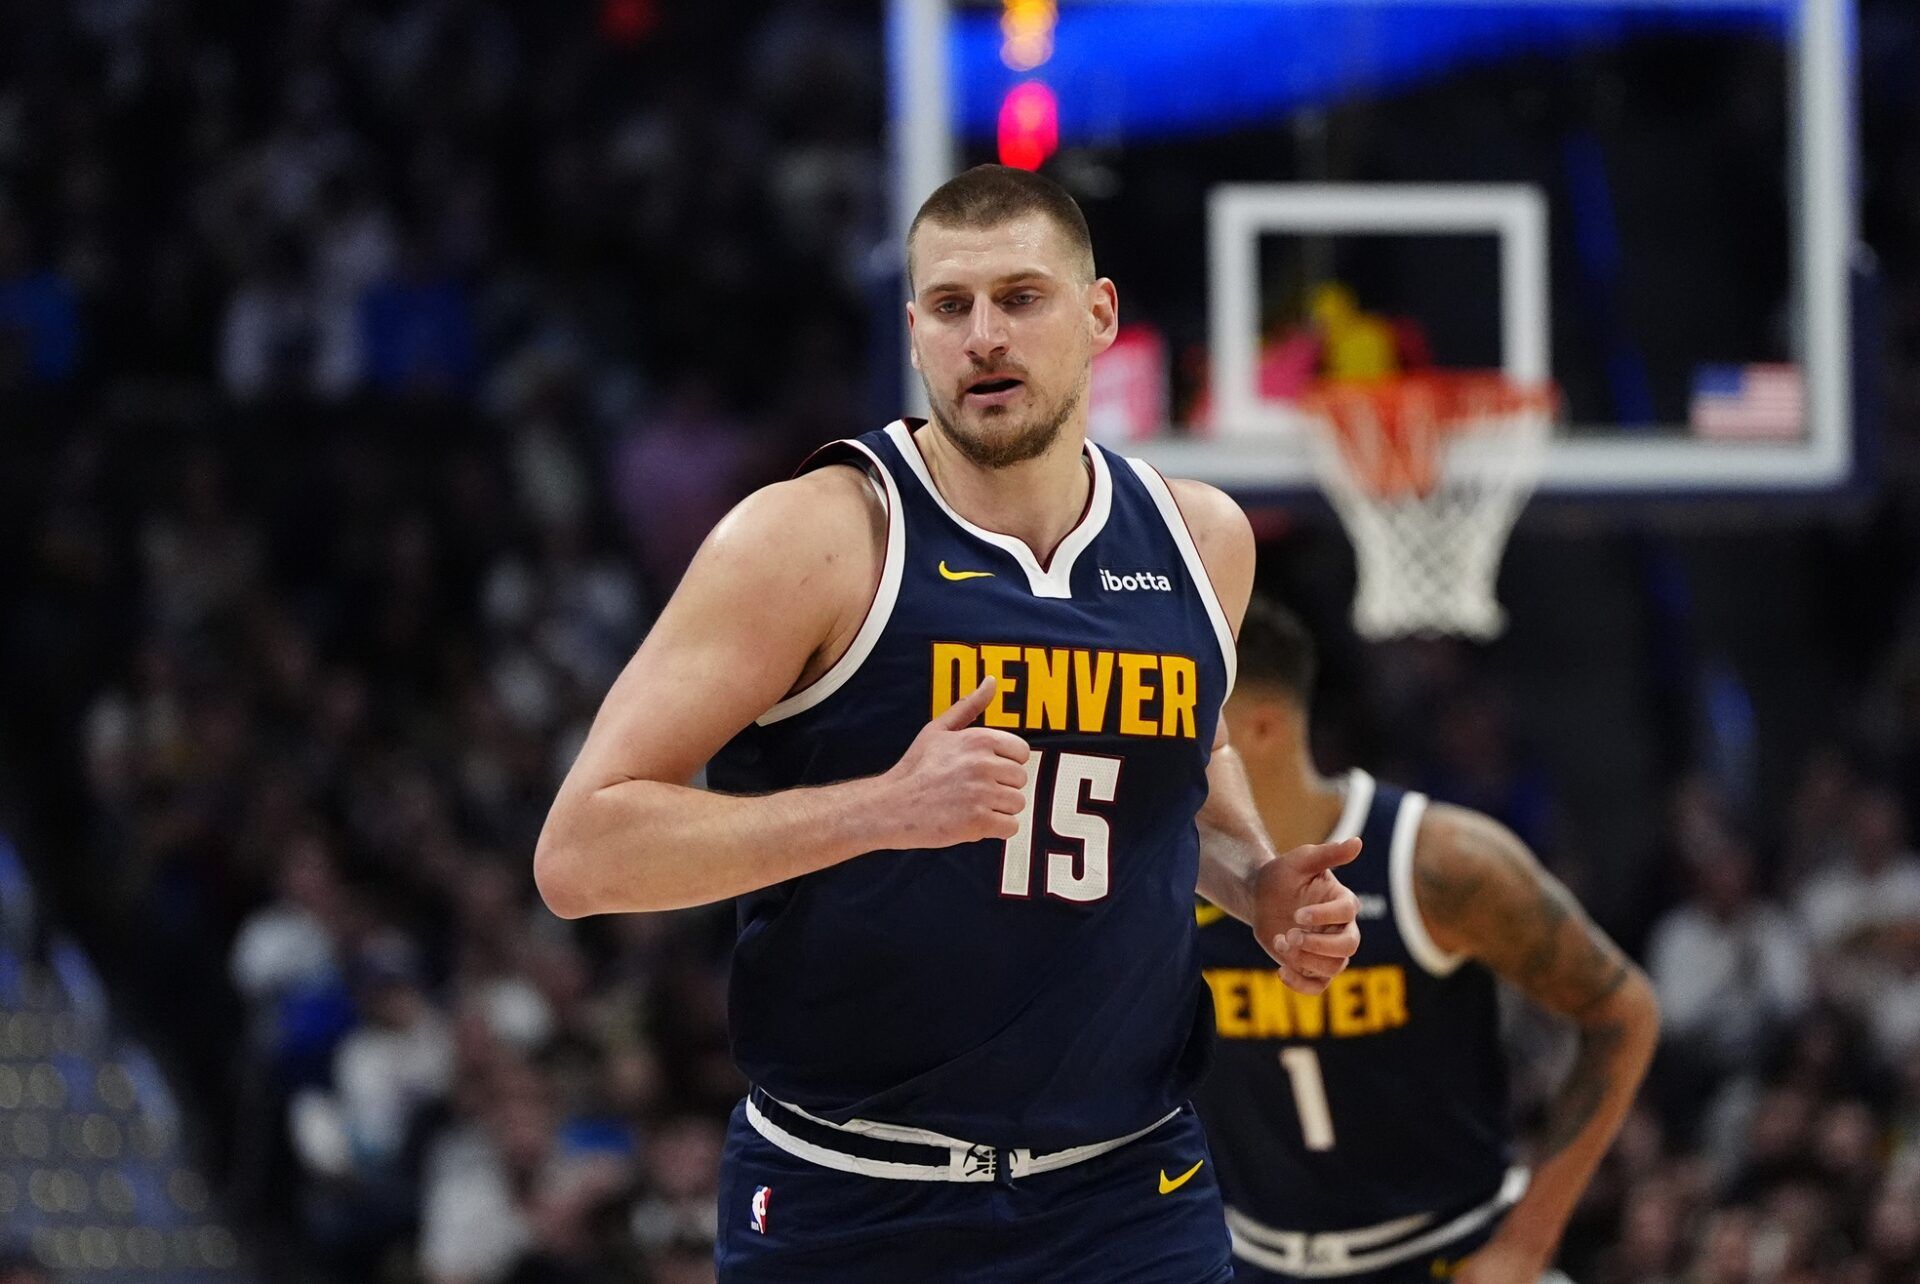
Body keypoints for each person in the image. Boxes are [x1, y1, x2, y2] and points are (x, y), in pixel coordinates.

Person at [535, 164, 1363, 1282]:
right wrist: (880, 809)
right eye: (951, 305)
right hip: (854, 1198)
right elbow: (582, 854)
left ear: (1099, 315)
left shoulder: (1201, 539)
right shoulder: (812, 540)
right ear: (914, 329)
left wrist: (1257, 884)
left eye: (1021, 298)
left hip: (1129, 1193)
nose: (985, 336)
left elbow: (1182, 761)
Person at [1193, 600, 1658, 1283]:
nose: (1162, 744)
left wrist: (1528, 1243)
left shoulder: (1439, 862)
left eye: (1189, 726)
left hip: (1454, 1247)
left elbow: (1625, 1011)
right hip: (1253, 1258)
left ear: (1260, 728)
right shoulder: (1163, 870)